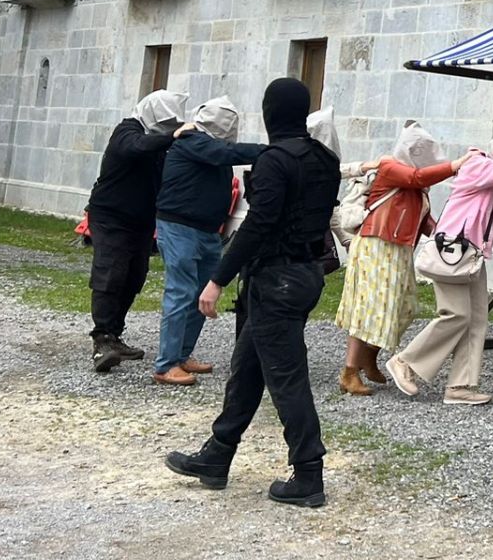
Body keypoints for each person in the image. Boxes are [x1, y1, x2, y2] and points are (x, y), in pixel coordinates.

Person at [164, 77, 343, 508]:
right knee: (247, 366)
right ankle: (218, 454)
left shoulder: (275, 161)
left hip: (276, 278)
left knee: (287, 378)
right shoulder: (325, 158)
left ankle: (308, 473)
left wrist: (217, 278)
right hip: (305, 274)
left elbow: (259, 225)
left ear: (268, 114)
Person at [390, 122, 493, 406]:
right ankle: (405, 361)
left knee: (477, 319)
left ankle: (460, 385)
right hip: (452, 251)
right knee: (456, 315)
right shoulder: (478, 164)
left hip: (471, 255)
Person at [337, 122, 469, 397]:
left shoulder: (416, 186)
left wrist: (447, 236)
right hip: (376, 244)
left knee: (405, 306)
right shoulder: (390, 167)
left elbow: (423, 219)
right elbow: (416, 178)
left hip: (398, 249)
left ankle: (368, 355)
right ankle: (350, 371)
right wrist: (456, 165)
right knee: (367, 308)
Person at [151, 96, 266, 387]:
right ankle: (166, 364)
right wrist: (273, 151)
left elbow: (225, 153)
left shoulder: (209, 147)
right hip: (179, 227)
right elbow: (227, 153)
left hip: (206, 230)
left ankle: (182, 354)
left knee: (202, 293)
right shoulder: (195, 142)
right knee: (181, 293)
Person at [83, 89, 187, 372]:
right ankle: (102, 339)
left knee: (134, 276)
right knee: (110, 272)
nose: (169, 131)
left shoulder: (157, 143)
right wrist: (172, 138)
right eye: (166, 126)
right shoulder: (127, 131)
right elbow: (137, 147)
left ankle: (114, 334)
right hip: (110, 216)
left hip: (141, 220)